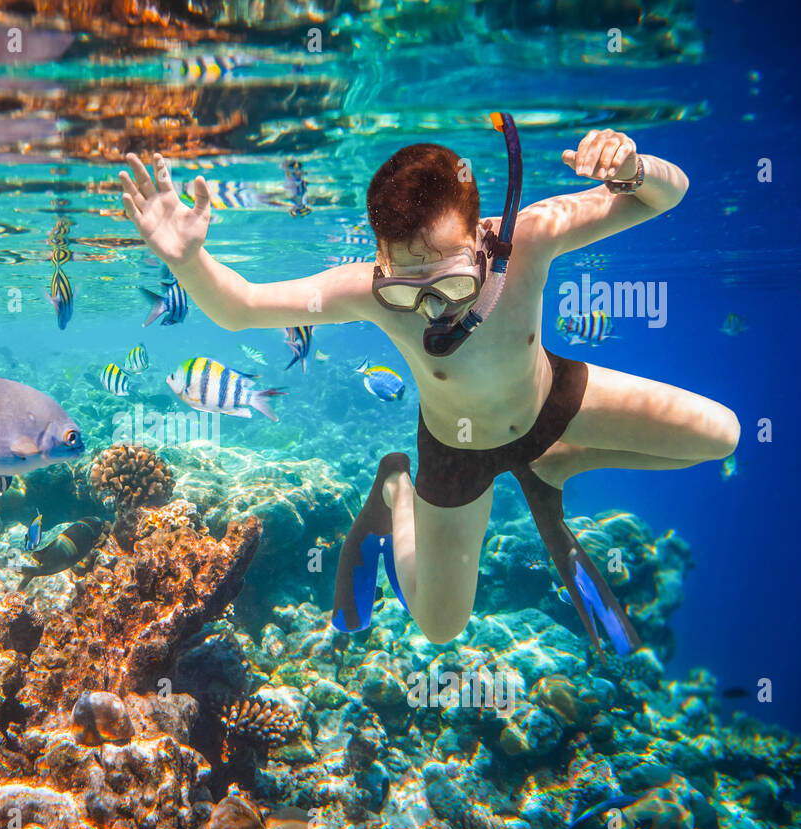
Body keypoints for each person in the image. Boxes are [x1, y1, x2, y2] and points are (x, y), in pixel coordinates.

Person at [116, 117, 739, 653]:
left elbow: (665, 197)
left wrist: (635, 169)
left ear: (482, 239)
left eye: (451, 285)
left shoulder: (530, 238)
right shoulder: (364, 290)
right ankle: (396, 488)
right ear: (380, 261)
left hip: (552, 403)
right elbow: (243, 306)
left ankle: (554, 459)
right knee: (442, 627)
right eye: (406, 290)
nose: (432, 311)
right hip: (454, 449)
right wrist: (187, 259)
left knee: (721, 436)